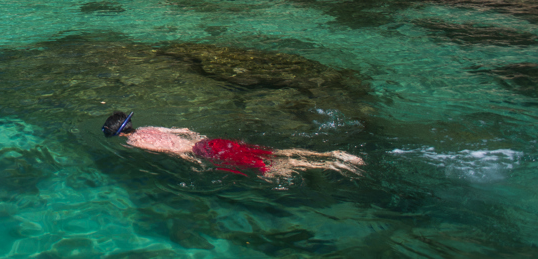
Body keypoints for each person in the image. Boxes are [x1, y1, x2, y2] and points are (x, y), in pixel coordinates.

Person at [101, 111, 363, 178]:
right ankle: (331, 154)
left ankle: (332, 166)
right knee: (272, 152)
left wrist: (195, 163)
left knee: (269, 168)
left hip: (201, 151)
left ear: (118, 134)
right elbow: (184, 131)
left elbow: (172, 151)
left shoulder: (136, 142)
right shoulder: (147, 127)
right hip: (209, 141)